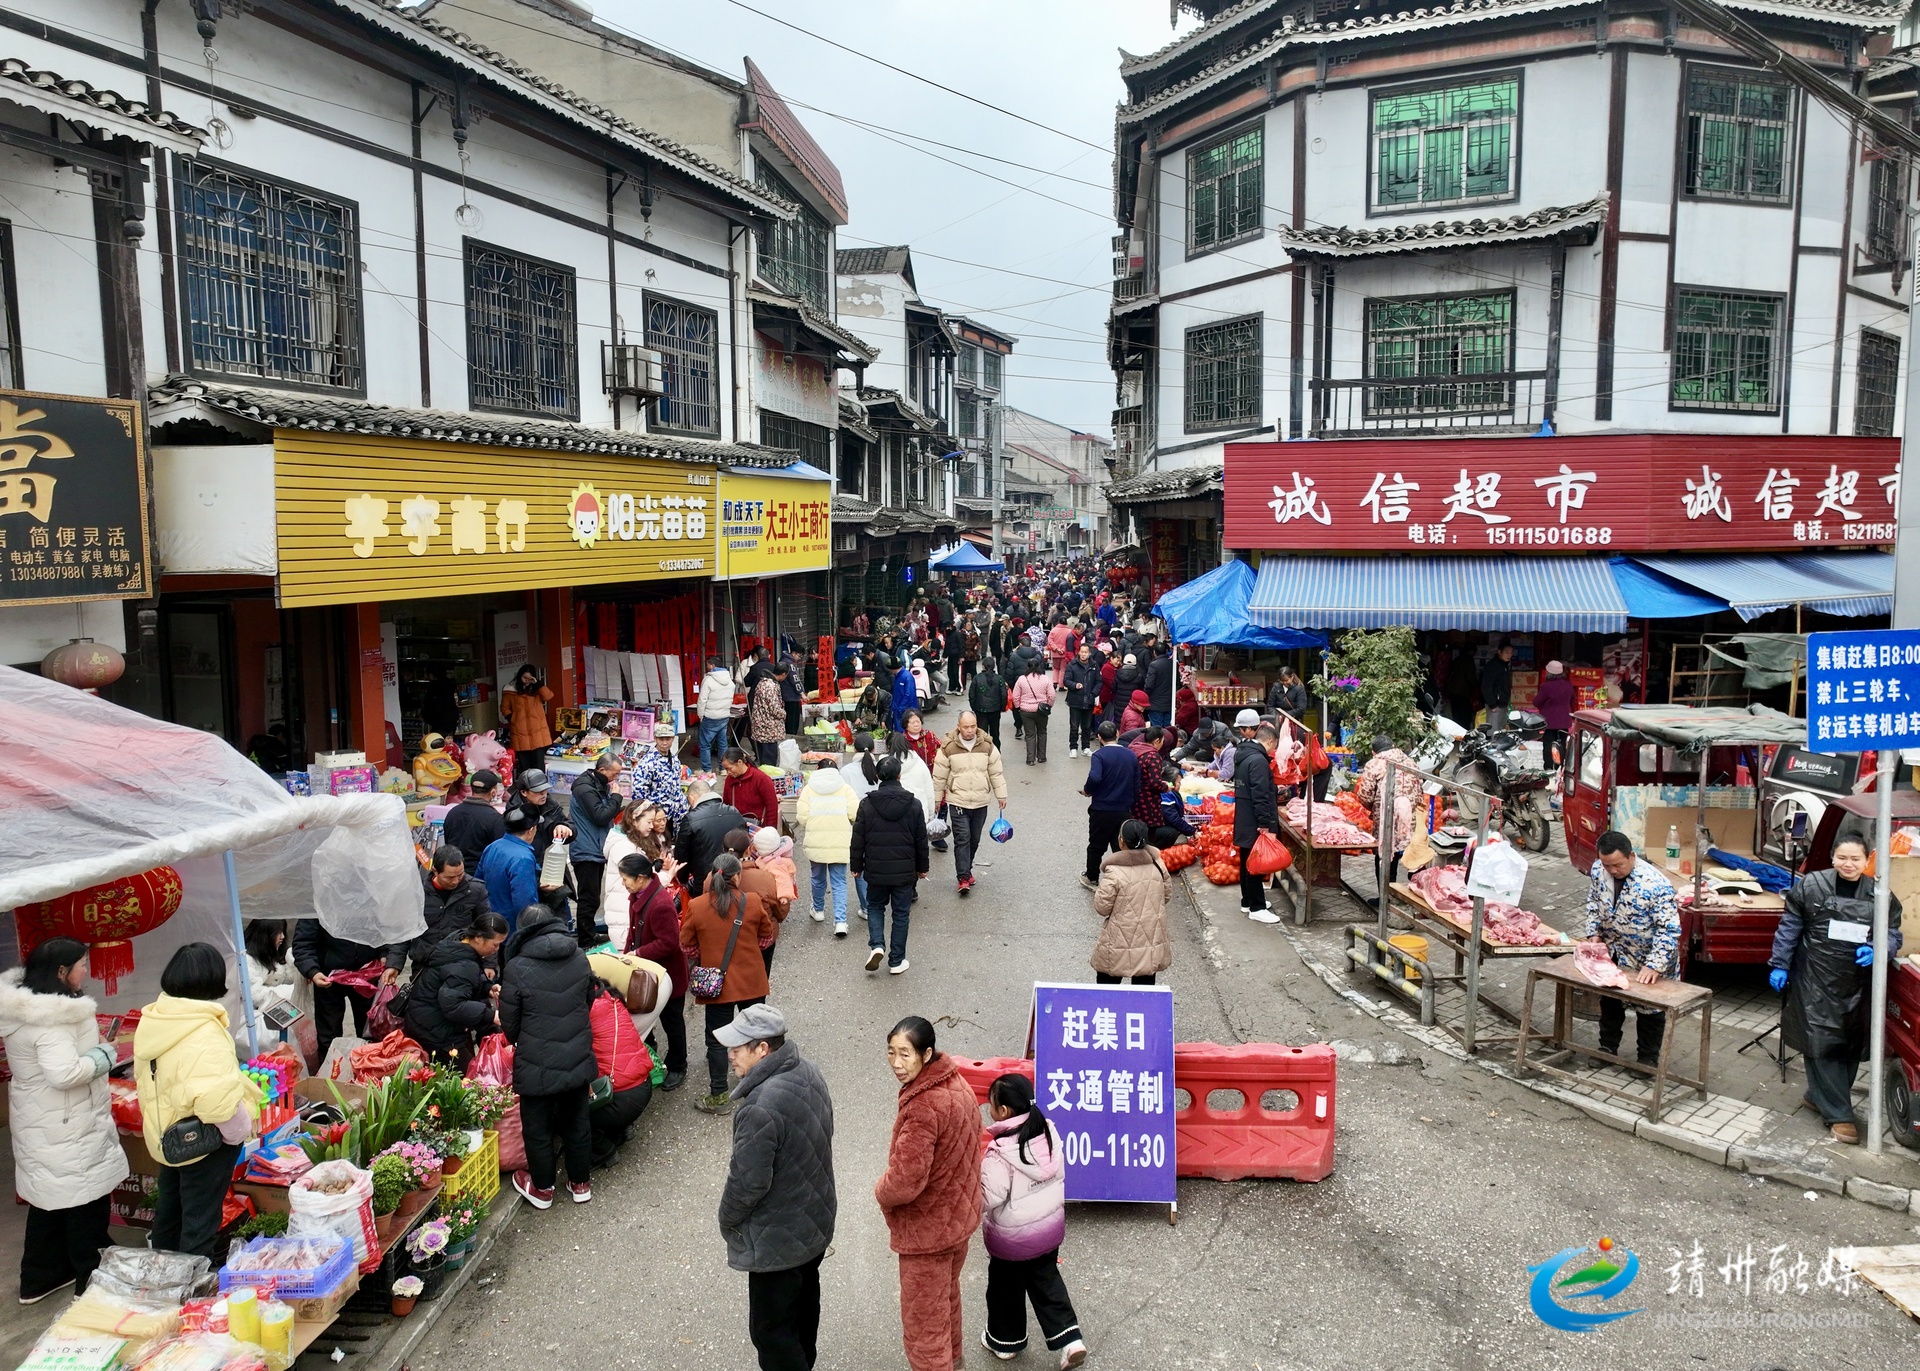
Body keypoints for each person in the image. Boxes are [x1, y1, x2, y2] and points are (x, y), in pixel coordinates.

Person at [0, 939, 128, 1303]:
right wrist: (103, 1055)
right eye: (81, 965)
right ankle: (92, 1281)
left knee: (48, 1199)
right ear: (61, 971)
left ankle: (40, 1277)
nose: (86, 971)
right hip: (68, 1122)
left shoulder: (22, 1007)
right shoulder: (52, 1018)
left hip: (41, 1118)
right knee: (86, 1201)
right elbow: (65, 1073)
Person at [716, 1005, 836, 1371]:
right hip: (814, 1223)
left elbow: (747, 1183)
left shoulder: (760, 1108)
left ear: (763, 1049)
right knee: (804, 1307)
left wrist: (727, 1220)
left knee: (772, 1333)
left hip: (778, 1241)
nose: (730, 1055)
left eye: (738, 1048)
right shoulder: (808, 1071)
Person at [1770, 834, 1902, 1144]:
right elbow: (1790, 925)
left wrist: (1879, 949)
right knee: (1820, 1043)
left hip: (1856, 982)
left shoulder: (1880, 893)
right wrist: (1780, 963)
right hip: (1814, 978)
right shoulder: (1811, 885)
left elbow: (1893, 932)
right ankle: (1840, 1115)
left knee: (1849, 1045)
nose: (1848, 864)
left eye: (1855, 859)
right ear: (1833, 858)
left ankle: (1818, 1097)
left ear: (1867, 860)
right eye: (1842, 857)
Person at [875, 1017, 984, 1371]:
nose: (896, 1063)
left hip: (928, 1233)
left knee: (924, 1325)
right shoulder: (956, 1083)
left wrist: (880, 1191)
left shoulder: (923, 1106)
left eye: (905, 1054)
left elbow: (904, 1180)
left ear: (926, 1054)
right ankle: (954, 1360)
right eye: (891, 1052)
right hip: (958, 1220)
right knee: (946, 1300)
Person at [135, 943, 257, 1262]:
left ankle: (161, 1272)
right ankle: (191, 1284)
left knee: (170, 1211)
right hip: (203, 1141)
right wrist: (238, 1132)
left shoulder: (155, 1019)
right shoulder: (204, 1031)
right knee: (200, 1221)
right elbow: (218, 1103)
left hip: (168, 1135)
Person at [980, 1074, 1086, 1367]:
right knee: (1047, 1282)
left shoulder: (1000, 1153)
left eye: (991, 1104)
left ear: (1003, 1111)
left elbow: (988, 1198)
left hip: (1011, 1241)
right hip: (1048, 1230)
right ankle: (1070, 1341)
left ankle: (1005, 1343)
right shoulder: (1048, 1131)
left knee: (1004, 1290)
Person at [503, 906, 598, 1208]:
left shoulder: (517, 967)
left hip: (536, 1061)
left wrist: (524, 1040)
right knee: (577, 1121)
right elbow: (588, 999)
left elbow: (510, 1023)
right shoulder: (579, 956)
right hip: (576, 1053)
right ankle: (580, 1183)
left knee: (537, 1127)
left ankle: (543, 1189)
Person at [682, 853, 778, 1114]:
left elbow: (687, 945)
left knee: (716, 1040)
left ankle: (719, 1096)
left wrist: (706, 955)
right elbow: (766, 938)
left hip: (717, 985)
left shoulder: (697, 906)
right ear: (737, 876)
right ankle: (758, 1086)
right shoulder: (752, 901)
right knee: (756, 1035)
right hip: (751, 980)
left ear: (713, 875)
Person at [1581, 831, 1683, 1068]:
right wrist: (1594, 932)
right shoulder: (1598, 870)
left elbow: (1669, 930)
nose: (1612, 870)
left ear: (1631, 857)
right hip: (1615, 952)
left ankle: (1647, 1059)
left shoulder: (1656, 885)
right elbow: (1594, 902)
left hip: (1646, 956)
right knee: (1610, 1001)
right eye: (1607, 865)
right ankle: (1607, 1048)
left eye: (1618, 865)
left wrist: (1654, 964)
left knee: (1650, 1010)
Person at [851, 756, 929, 976]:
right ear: (899, 775)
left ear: (877, 776)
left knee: (875, 906)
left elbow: (858, 838)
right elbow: (921, 840)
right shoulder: (914, 804)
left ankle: (877, 944)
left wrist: (856, 865)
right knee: (901, 914)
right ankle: (896, 960)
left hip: (876, 870)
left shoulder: (867, 804)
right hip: (905, 871)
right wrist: (922, 867)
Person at [404, 913, 509, 1070]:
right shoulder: (464, 964)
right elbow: (453, 1005)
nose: (497, 950)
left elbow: (461, 981)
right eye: (495, 944)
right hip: (436, 1031)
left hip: (425, 1020)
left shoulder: (459, 941)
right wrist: (491, 1015)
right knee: (467, 1076)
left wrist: (487, 988)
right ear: (479, 938)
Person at [620, 853, 687, 1091]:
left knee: (672, 1023)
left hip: (668, 976)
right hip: (646, 973)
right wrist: (626, 954)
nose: (623, 883)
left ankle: (678, 1065)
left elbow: (669, 942)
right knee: (643, 1015)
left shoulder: (660, 904)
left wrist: (637, 953)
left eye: (625, 878)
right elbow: (633, 931)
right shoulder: (638, 896)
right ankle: (651, 1054)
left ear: (640, 878)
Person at [293, 916, 398, 1062]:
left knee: (370, 1031)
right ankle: (330, 1069)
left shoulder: (371, 902)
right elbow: (303, 943)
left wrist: (385, 954)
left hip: (366, 975)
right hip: (328, 976)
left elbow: (385, 931)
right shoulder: (318, 905)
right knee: (328, 1034)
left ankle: (369, 1068)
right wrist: (313, 971)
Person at [933, 711, 1007, 898]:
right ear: (959, 726)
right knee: (962, 838)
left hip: (980, 801)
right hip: (958, 800)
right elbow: (939, 775)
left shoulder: (987, 745)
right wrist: (937, 799)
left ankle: (967, 868)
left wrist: (1001, 795)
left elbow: (996, 772)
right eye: (966, 727)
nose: (970, 730)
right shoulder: (948, 746)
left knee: (974, 839)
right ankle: (963, 877)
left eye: (973, 726)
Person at [1092, 819, 1173, 986]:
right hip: (1151, 935)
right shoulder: (1157, 864)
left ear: (1121, 841)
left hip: (1119, 939)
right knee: (1144, 988)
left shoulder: (1114, 871)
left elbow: (1102, 907)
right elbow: (1166, 895)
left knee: (1108, 987)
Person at [585, 971, 653, 1169]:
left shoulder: (582, 1011)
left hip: (620, 1097)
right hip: (643, 1085)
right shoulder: (611, 997)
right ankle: (621, 1130)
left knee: (566, 1114)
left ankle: (604, 1151)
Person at [403, 846, 493, 975]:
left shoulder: (475, 890)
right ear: (435, 871)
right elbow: (404, 930)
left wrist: (489, 964)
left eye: (460, 875)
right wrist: (394, 964)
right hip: (425, 963)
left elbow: (486, 928)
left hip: (461, 963)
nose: (455, 881)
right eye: (449, 878)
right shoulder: (419, 892)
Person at [231, 919, 312, 1059]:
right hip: (251, 1018)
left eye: (283, 932)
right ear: (265, 935)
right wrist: (289, 992)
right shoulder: (246, 961)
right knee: (278, 1040)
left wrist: (294, 964)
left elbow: (288, 977)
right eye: (278, 933)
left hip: (275, 1009)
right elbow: (254, 995)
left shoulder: (273, 953)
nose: (283, 937)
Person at [796, 760, 856, 935]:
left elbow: (802, 817)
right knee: (839, 882)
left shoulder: (808, 789)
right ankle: (840, 922)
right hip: (840, 841)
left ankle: (818, 910)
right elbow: (854, 813)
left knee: (817, 877)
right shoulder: (845, 788)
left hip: (816, 840)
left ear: (817, 769)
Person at [1232, 711, 1281, 924]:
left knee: (1246, 860)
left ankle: (1247, 900)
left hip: (1244, 816)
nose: (1273, 749)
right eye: (1274, 745)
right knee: (1255, 863)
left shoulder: (1242, 754)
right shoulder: (1258, 760)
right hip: (1254, 819)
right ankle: (1257, 907)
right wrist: (1264, 823)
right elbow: (1260, 795)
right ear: (1269, 741)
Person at [1354, 736, 1420, 892]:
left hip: (1385, 818)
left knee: (1384, 854)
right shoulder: (1411, 762)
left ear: (1373, 752)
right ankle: (1398, 892)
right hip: (1408, 818)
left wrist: (1373, 808)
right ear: (1393, 745)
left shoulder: (1374, 764)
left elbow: (1365, 796)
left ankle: (1384, 896)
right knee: (1400, 853)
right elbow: (1419, 792)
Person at [1080, 721, 1139, 892]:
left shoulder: (1099, 755)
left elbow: (1095, 777)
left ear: (1099, 737)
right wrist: (1132, 804)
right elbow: (1136, 783)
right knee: (1121, 846)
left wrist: (1087, 790)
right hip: (1124, 808)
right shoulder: (1130, 755)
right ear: (1118, 733)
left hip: (1102, 808)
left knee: (1096, 845)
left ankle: (1092, 877)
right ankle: (1124, 880)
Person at [476, 808, 543, 935]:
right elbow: (524, 901)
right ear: (530, 831)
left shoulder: (493, 846)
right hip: (511, 928)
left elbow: (478, 882)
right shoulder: (523, 858)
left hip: (490, 921)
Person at [678, 782, 749, 895]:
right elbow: (744, 843)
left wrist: (682, 879)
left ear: (691, 798)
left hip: (704, 882)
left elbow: (682, 855)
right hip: (735, 877)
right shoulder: (735, 813)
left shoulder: (691, 819)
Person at [442, 769, 505, 869]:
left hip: (454, 871)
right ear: (493, 792)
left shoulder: (453, 813)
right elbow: (498, 853)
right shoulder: (495, 818)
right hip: (480, 873)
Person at [630, 722, 690, 825]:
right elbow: (638, 791)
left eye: (668, 739)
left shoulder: (675, 760)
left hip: (676, 816)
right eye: (661, 739)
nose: (664, 743)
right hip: (657, 818)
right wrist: (649, 813)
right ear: (655, 739)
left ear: (673, 739)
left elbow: (677, 786)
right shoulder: (647, 763)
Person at [501, 664, 555, 779]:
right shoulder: (510, 690)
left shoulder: (537, 688)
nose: (526, 680)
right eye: (524, 677)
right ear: (519, 676)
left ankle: (540, 786)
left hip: (538, 733)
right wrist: (512, 718)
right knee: (524, 768)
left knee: (539, 767)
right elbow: (504, 707)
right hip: (520, 732)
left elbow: (548, 696)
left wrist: (538, 684)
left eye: (529, 678)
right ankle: (525, 787)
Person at [1532, 660, 1576, 770]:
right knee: (1561, 746)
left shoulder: (1546, 686)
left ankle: (1548, 768)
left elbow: (1537, 702)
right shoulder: (1568, 685)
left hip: (1549, 722)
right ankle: (1560, 768)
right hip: (1564, 721)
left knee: (1548, 745)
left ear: (1549, 673)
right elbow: (1573, 700)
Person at [698, 656, 738, 773]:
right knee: (722, 744)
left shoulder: (708, 680)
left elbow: (702, 700)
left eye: (707, 665)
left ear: (712, 666)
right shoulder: (729, 680)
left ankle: (707, 770)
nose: (707, 667)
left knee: (705, 745)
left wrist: (700, 715)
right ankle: (724, 769)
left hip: (710, 716)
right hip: (724, 716)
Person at [723, 749, 780, 831]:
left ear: (740, 762)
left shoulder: (761, 778)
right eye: (726, 770)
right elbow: (726, 805)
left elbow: (772, 806)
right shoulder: (729, 780)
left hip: (759, 829)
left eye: (730, 768)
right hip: (737, 829)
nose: (728, 772)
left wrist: (770, 830)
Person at [1012, 658, 1054, 766]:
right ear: (1039, 667)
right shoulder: (1045, 679)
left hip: (1026, 711)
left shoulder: (1022, 679)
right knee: (1042, 732)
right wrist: (1048, 705)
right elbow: (1051, 695)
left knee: (1030, 734)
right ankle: (1042, 757)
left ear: (1027, 667)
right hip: (1041, 711)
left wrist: (1018, 707)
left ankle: (1030, 759)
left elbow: (1015, 696)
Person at [1062, 643, 1100, 759]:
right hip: (1075, 701)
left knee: (1087, 726)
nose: (1083, 654)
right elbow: (1066, 680)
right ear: (1079, 652)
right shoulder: (1072, 665)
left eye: (1085, 652)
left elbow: (1099, 682)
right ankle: (1073, 748)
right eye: (1082, 652)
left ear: (1089, 653)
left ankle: (1085, 747)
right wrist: (1074, 685)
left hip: (1089, 701)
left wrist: (1093, 693)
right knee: (1074, 727)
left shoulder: (1094, 666)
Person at [750, 666, 788, 766]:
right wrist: (784, 714)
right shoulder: (771, 686)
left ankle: (764, 773)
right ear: (783, 674)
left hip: (760, 724)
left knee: (762, 756)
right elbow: (774, 709)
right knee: (769, 759)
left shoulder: (762, 682)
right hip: (768, 727)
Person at [969, 657, 1009, 750]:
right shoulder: (999, 679)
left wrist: (974, 708)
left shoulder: (977, 678)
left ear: (983, 666)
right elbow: (1004, 695)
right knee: (995, 734)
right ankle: (996, 752)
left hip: (981, 710)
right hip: (995, 710)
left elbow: (972, 695)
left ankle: (983, 752)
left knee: (982, 735)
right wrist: (1002, 707)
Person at [1479, 643, 1514, 731]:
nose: (1509, 655)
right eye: (1507, 652)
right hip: (1495, 704)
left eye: (1511, 653)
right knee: (1493, 731)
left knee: (1501, 730)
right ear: (1499, 652)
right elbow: (1486, 686)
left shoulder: (1504, 665)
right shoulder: (1492, 666)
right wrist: (1492, 704)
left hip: (1503, 703)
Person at [1142, 644, 1173, 728]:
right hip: (1169, 702)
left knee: (1156, 729)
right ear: (1166, 651)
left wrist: (1146, 694)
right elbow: (1177, 683)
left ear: (1154, 652)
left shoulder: (1154, 665)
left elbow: (1149, 685)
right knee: (1167, 728)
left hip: (1156, 703)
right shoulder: (1172, 664)